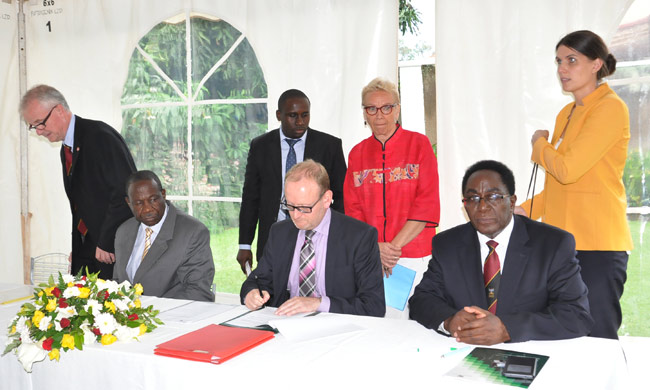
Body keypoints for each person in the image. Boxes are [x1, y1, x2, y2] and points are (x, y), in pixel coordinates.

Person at [517, 30, 632, 339]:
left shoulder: (610, 108)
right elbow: (560, 185)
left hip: (597, 245)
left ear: (596, 64)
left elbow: (567, 170)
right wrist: (524, 210)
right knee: (560, 333)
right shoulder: (566, 113)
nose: (562, 69)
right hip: (561, 244)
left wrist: (539, 145)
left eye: (571, 60)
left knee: (597, 336)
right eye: (558, 61)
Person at [410, 160, 593, 345]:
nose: (482, 207)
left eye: (494, 197)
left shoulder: (552, 244)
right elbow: (422, 300)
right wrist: (449, 321)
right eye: (473, 199)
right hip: (461, 352)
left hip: (529, 353)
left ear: (512, 202)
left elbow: (576, 315)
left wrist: (508, 328)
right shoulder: (448, 244)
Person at [344, 77, 439, 319]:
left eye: (386, 107)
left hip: (414, 254)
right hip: (372, 256)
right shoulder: (357, 154)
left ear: (397, 108)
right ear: (364, 113)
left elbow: (426, 204)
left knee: (419, 321)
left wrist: (392, 248)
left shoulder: (419, 145)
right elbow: (353, 212)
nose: (379, 115)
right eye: (371, 108)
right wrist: (376, 248)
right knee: (379, 323)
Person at [240, 160, 384, 317]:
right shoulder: (280, 232)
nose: (295, 215)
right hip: (287, 325)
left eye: (304, 208)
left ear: (326, 199)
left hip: (337, 328)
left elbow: (373, 306)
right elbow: (257, 280)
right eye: (289, 205)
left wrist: (318, 303)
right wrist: (251, 293)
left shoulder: (359, 237)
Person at [20, 85, 136, 279]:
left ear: (58, 110)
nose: (38, 132)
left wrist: (106, 242)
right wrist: (81, 247)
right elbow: (81, 204)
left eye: (40, 123)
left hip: (110, 248)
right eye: (33, 126)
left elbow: (125, 193)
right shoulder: (66, 147)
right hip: (89, 247)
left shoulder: (100, 137)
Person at [237, 89, 347, 274]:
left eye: (305, 115)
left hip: (317, 233)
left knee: (312, 290)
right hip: (273, 236)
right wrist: (245, 244)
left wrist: (332, 233)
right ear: (279, 115)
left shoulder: (329, 146)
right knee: (272, 292)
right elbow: (251, 198)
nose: (300, 121)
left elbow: (341, 195)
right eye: (292, 116)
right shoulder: (261, 146)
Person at [113, 170, 215, 301]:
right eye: (139, 203)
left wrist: (148, 313)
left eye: (153, 200)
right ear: (129, 203)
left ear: (163, 194)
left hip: (171, 317)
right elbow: (117, 282)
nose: (148, 209)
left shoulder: (193, 232)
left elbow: (198, 292)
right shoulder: (124, 231)